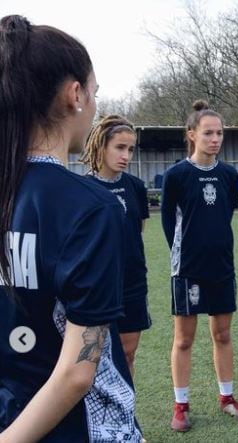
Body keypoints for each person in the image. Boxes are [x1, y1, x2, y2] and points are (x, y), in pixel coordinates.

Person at [0, 15, 141, 441]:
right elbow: (79, 374)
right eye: (94, 92)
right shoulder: (88, 207)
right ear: (74, 95)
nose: (94, 104)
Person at [161, 100, 238, 432]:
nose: (215, 139)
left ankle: (227, 398)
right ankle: (181, 405)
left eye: (220, 133)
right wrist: (185, 257)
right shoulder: (177, 175)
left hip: (222, 267)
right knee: (184, 339)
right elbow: (170, 223)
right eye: (208, 133)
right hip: (188, 269)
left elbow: (224, 217)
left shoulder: (229, 175)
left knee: (223, 333)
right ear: (192, 135)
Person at [81, 115, 151, 378]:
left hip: (132, 281)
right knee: (92, 358)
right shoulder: (83, 189)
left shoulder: (136, 187)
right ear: (101, 146)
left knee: (127, 353)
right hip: (96, 284)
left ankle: (124, 411)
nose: (126, 155)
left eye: (130, 149)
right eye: (119, 148)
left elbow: (137, 231)